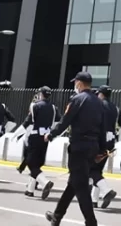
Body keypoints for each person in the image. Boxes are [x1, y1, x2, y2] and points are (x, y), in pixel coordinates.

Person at [44, 71, 106, 226]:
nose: (74, 86)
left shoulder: (78, 99)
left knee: (81, 186)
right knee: (74, 182)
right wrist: (102, 150)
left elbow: (65, 121)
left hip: (79, 146)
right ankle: (57, 216)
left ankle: (91, 222)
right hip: (93, 147)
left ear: (79, 83)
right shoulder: (99, 102)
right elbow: (103, 128)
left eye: (75, 83)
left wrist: (51, 134)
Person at [12, 86, 60, 200]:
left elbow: (28, 122)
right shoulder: (54, 108)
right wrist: (52, 134)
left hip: (35, 137)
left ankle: (45, 182)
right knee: (37, 163)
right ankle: (30, 189)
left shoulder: (35, 106)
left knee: (31, 162)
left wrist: (16, 134)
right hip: (45, 138)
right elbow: (58, 122)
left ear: (41, 94)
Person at [91, 85, 121, 209]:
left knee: (91, 170)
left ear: (101, 94)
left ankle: (107, 191)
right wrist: (117, 138)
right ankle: (94, 200)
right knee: (98, 171)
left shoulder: (97, 105)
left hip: (98, 142)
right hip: (110, 143)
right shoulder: (115, 108)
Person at [17, 91, 41, 174]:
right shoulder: (37, 103)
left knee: (29, 149)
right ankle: (23, 167)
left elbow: (30, 117)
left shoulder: (35, 104)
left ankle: (24, 167)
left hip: (31, 127)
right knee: (29, 149)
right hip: (32, 127)